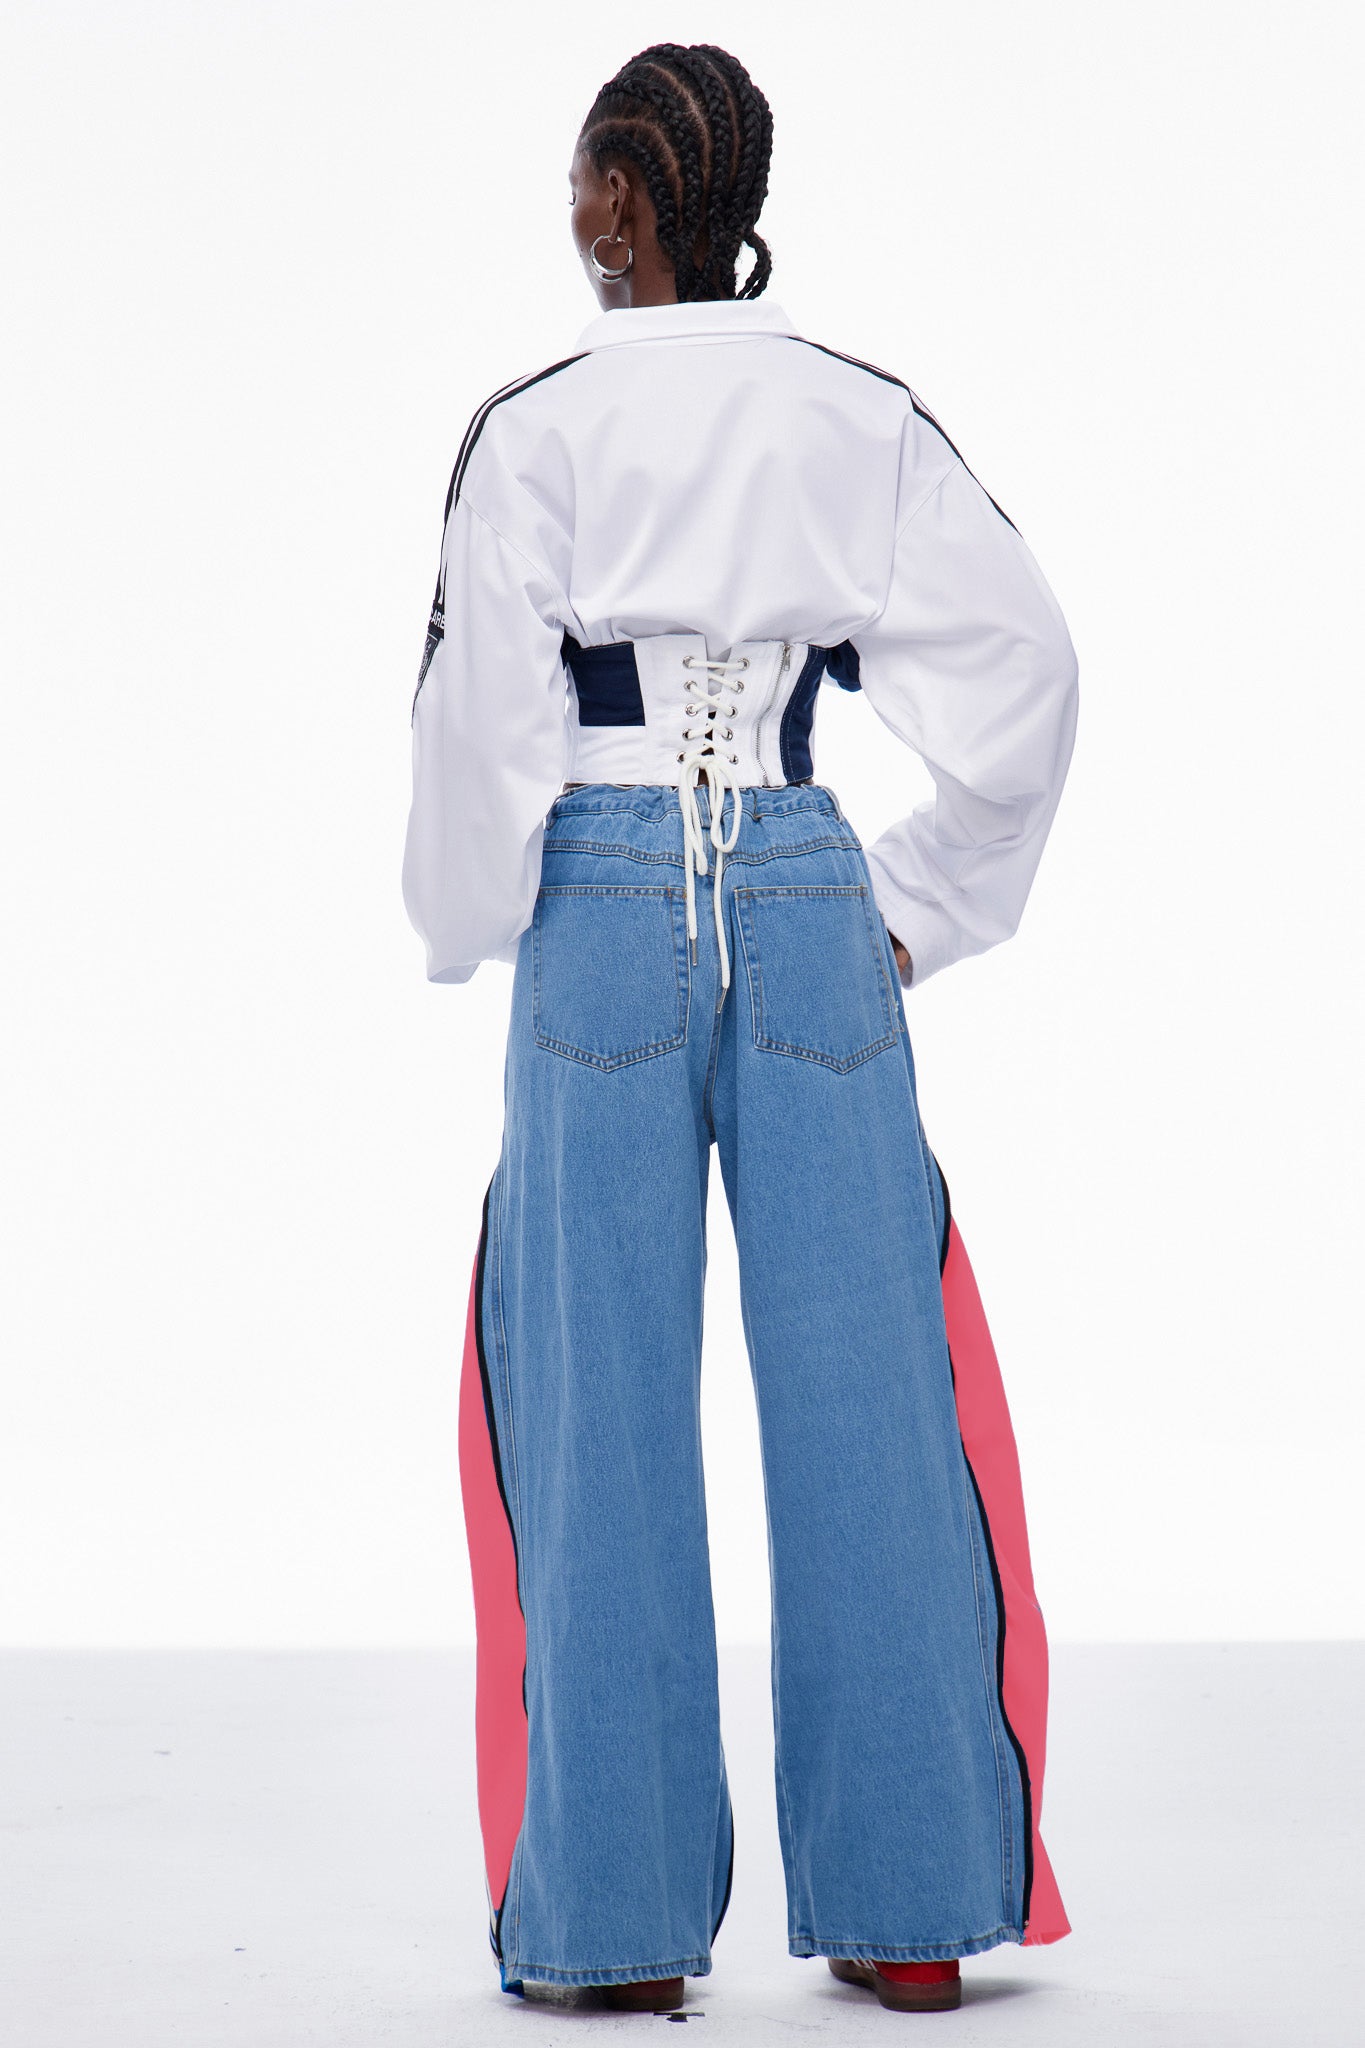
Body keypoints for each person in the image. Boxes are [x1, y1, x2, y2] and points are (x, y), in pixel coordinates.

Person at [402, 42, 1078, 2018]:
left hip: (600, 904)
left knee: (590, 1407)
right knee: (873, 1391)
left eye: (577, 182)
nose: (570, 215)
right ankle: (908, 1908)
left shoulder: (532, 429)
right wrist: (914, 902)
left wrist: (474, 920)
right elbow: (1027, 674)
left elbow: (478, 736)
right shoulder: (857, 414)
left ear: (621, 201)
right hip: (798, 876)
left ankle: (612, 1932)